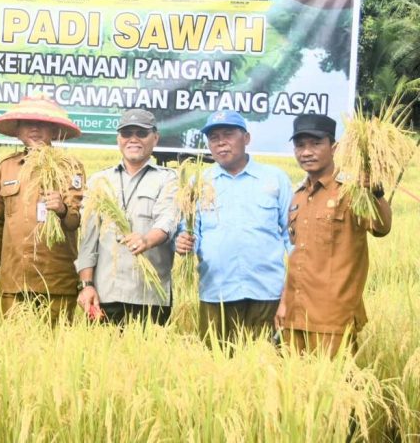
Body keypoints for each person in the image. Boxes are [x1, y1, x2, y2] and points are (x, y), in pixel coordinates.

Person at [276, 114, 392, 356]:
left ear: (334, 147)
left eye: (316, 144)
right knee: (294, 388)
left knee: (336, 389)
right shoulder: (298, 196)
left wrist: (376, 193)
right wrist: (284, 304)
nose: (306, 152)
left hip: (333, 318)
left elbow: (381, 227)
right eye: (300, 145)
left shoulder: (353, 191)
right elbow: (298, 256)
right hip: (295, 315)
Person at [175, 110, 292, 346]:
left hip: (267, 291)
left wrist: (292, 292)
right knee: (215, 365)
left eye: (228, 134)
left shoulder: (275, 179)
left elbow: (292, 236)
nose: (220, 142)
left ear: (246, 138)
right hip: (217, 290)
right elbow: (189, 231)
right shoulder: (199, 183)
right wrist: (183, 241)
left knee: (264, 364)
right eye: (214, 137)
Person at [0, 96, 85, 324]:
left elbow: (75, 221)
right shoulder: (6, 167)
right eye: (27, 122)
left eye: (43, 122)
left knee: (56, 353)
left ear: (55, 129)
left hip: (56, 282)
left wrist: (62, 209)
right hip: (14, 280)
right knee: (13, 352)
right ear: (17, 130)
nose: (35, 128)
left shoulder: (70, 167)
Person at [76, 109, 179, 326]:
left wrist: (146, 240)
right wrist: (86, 286)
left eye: (141, 133)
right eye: (126, 133)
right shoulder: (99, 181)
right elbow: (88, 241)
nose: (133, 139)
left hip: (150, 296)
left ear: (155, 138)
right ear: (118, 139)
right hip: (105, 295)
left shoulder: (168, 179)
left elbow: (167, 220)